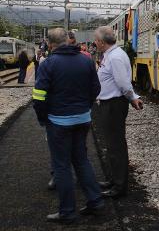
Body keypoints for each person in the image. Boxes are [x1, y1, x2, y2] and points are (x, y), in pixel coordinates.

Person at [32, 28, 103, 223]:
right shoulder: (86, 60)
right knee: (82, 161)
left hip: (58, 122)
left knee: (62, 166)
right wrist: (85, 107)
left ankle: (67, 212)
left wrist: (43, 118)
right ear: (67, 41)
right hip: (82, 119)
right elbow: (96, 88)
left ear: (50, 43)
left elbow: (39, 97)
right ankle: (96, 202)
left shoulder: (49, 64)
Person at [94, 26, 143, 198]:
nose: (94, 43)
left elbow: (123, 83)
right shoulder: (110, 55)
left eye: (95, 40)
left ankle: (120, 186)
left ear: (101, 42)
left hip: (114, 105)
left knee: (116, 146)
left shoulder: (115, 57)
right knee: (112, 144)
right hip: (109, 104)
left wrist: (132, 98)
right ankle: (114, 179)